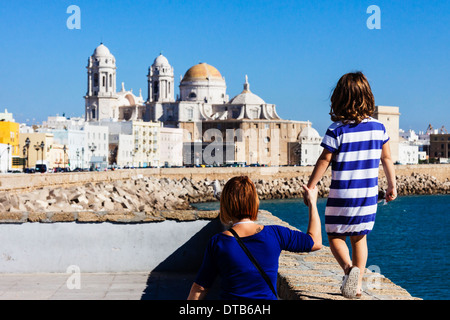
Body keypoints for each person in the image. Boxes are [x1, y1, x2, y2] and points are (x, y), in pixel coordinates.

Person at [305, 72, 397, 299]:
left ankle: (348, 270)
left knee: (335, 236)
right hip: (367, 197)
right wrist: (392, 185)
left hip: (342, 196)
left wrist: (311, 184)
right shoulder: (379, 128)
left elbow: (325, 160)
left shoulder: (336, 130)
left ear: (339, 99)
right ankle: (356, 286)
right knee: (360, 238)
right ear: (368, 96)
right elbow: (386, 159)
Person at [187, 176, 322, 300]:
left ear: (226, 205)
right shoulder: (275, 234)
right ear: (255, 202)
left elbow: (200, 288)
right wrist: (312, 203)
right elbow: (315, 242)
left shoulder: (218, 242)